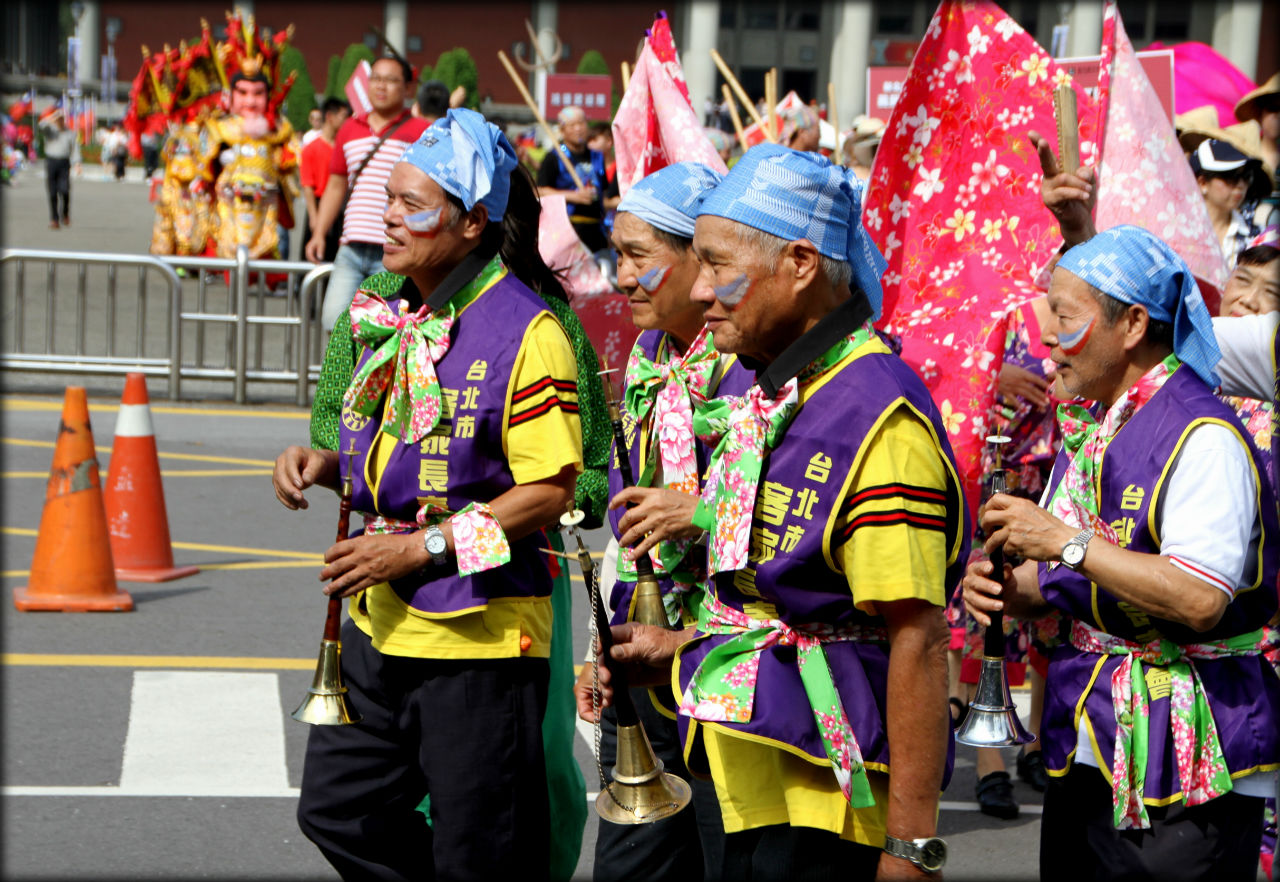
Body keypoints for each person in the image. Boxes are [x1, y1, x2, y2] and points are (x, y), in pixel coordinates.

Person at [595, 144, 967, 879]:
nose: (701, 293)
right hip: (750, 767)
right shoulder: (777, 389)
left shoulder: (872, 413)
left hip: (825, 796)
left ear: (801, 265)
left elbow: (918, 641)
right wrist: (673, 651)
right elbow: (775, 596)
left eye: (718, 266)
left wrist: (911, 848)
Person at [275, 108, 582, 881]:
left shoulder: (528, 330)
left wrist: (418, 548)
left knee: (480, 853)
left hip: (476, 642)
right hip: (382, 627)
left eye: (415, 205)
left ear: (473, 222)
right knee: (338, 809)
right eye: (388, 201)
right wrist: (327, 463)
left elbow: (549, 490)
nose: (391, 220)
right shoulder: (398, 313)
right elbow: (415, 460)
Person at [962, 224, 1280, 881]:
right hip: (1089, 736)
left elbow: (1197, 597)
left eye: (1067, 316)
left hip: (1191, 755)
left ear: (1134, 324)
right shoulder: (1094, 425)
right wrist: (1008, 589)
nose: (1047, 335)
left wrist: (1063, 542)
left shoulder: (1202, 433)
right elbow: (1060, 579)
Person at [572, 161, 752, 881]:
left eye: (639, 257)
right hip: (641, 660)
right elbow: (626, 530)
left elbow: (801, 518)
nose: (621, 277)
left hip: (728, 666)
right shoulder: (647, 356)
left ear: (700, 261)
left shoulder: (753, 364)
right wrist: (600, 645)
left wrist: (705, 513)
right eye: (618, 256)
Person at [306, 54, 429, 330]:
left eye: (391, 80)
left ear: (408, 88)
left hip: (395, 249)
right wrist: (318, 233)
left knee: (384, 329)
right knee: (333, 322)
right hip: (350, 247)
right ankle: (344, 375)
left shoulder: (421, 132)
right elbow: (336, 185)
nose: (381, 86)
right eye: (376, 79)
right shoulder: (349, 128)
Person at [536, 106, 611, 254]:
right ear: (562, 130)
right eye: (572, 125)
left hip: (596, 229)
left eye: (581, 123)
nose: (578, 129)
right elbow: (539, 191)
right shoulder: (554, 157)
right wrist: (573, 196)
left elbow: (604, 191)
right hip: (567, 228)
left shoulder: (597, 156)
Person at [1190, 138, 1265, 269]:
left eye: (1247, 177)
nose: (1241, 185)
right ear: (1202, 183)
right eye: (1231, 176)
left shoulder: (1257, 236)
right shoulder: (1179, 228)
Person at [299, 97, 350, 264]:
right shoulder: (311, 148)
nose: (346, 120)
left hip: (340, 208)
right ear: (330, 116)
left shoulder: (344, 149)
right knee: (314, 256)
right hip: (319, 204)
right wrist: (314, 216)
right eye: (343, 116)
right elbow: (307, 185)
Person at [39, 108, 74, 229]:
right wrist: (51, 117)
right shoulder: (50, 131)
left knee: (64, 190)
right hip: (51, 162)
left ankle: (65, 213)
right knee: (52, 192)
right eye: (57, 119)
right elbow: (41, 125)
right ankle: (54, 219)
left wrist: (78, 163)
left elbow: (75, 150)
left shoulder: (70, 133)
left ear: (64, 120)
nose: (59, 121)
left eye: (61, 119)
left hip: (64, 162)